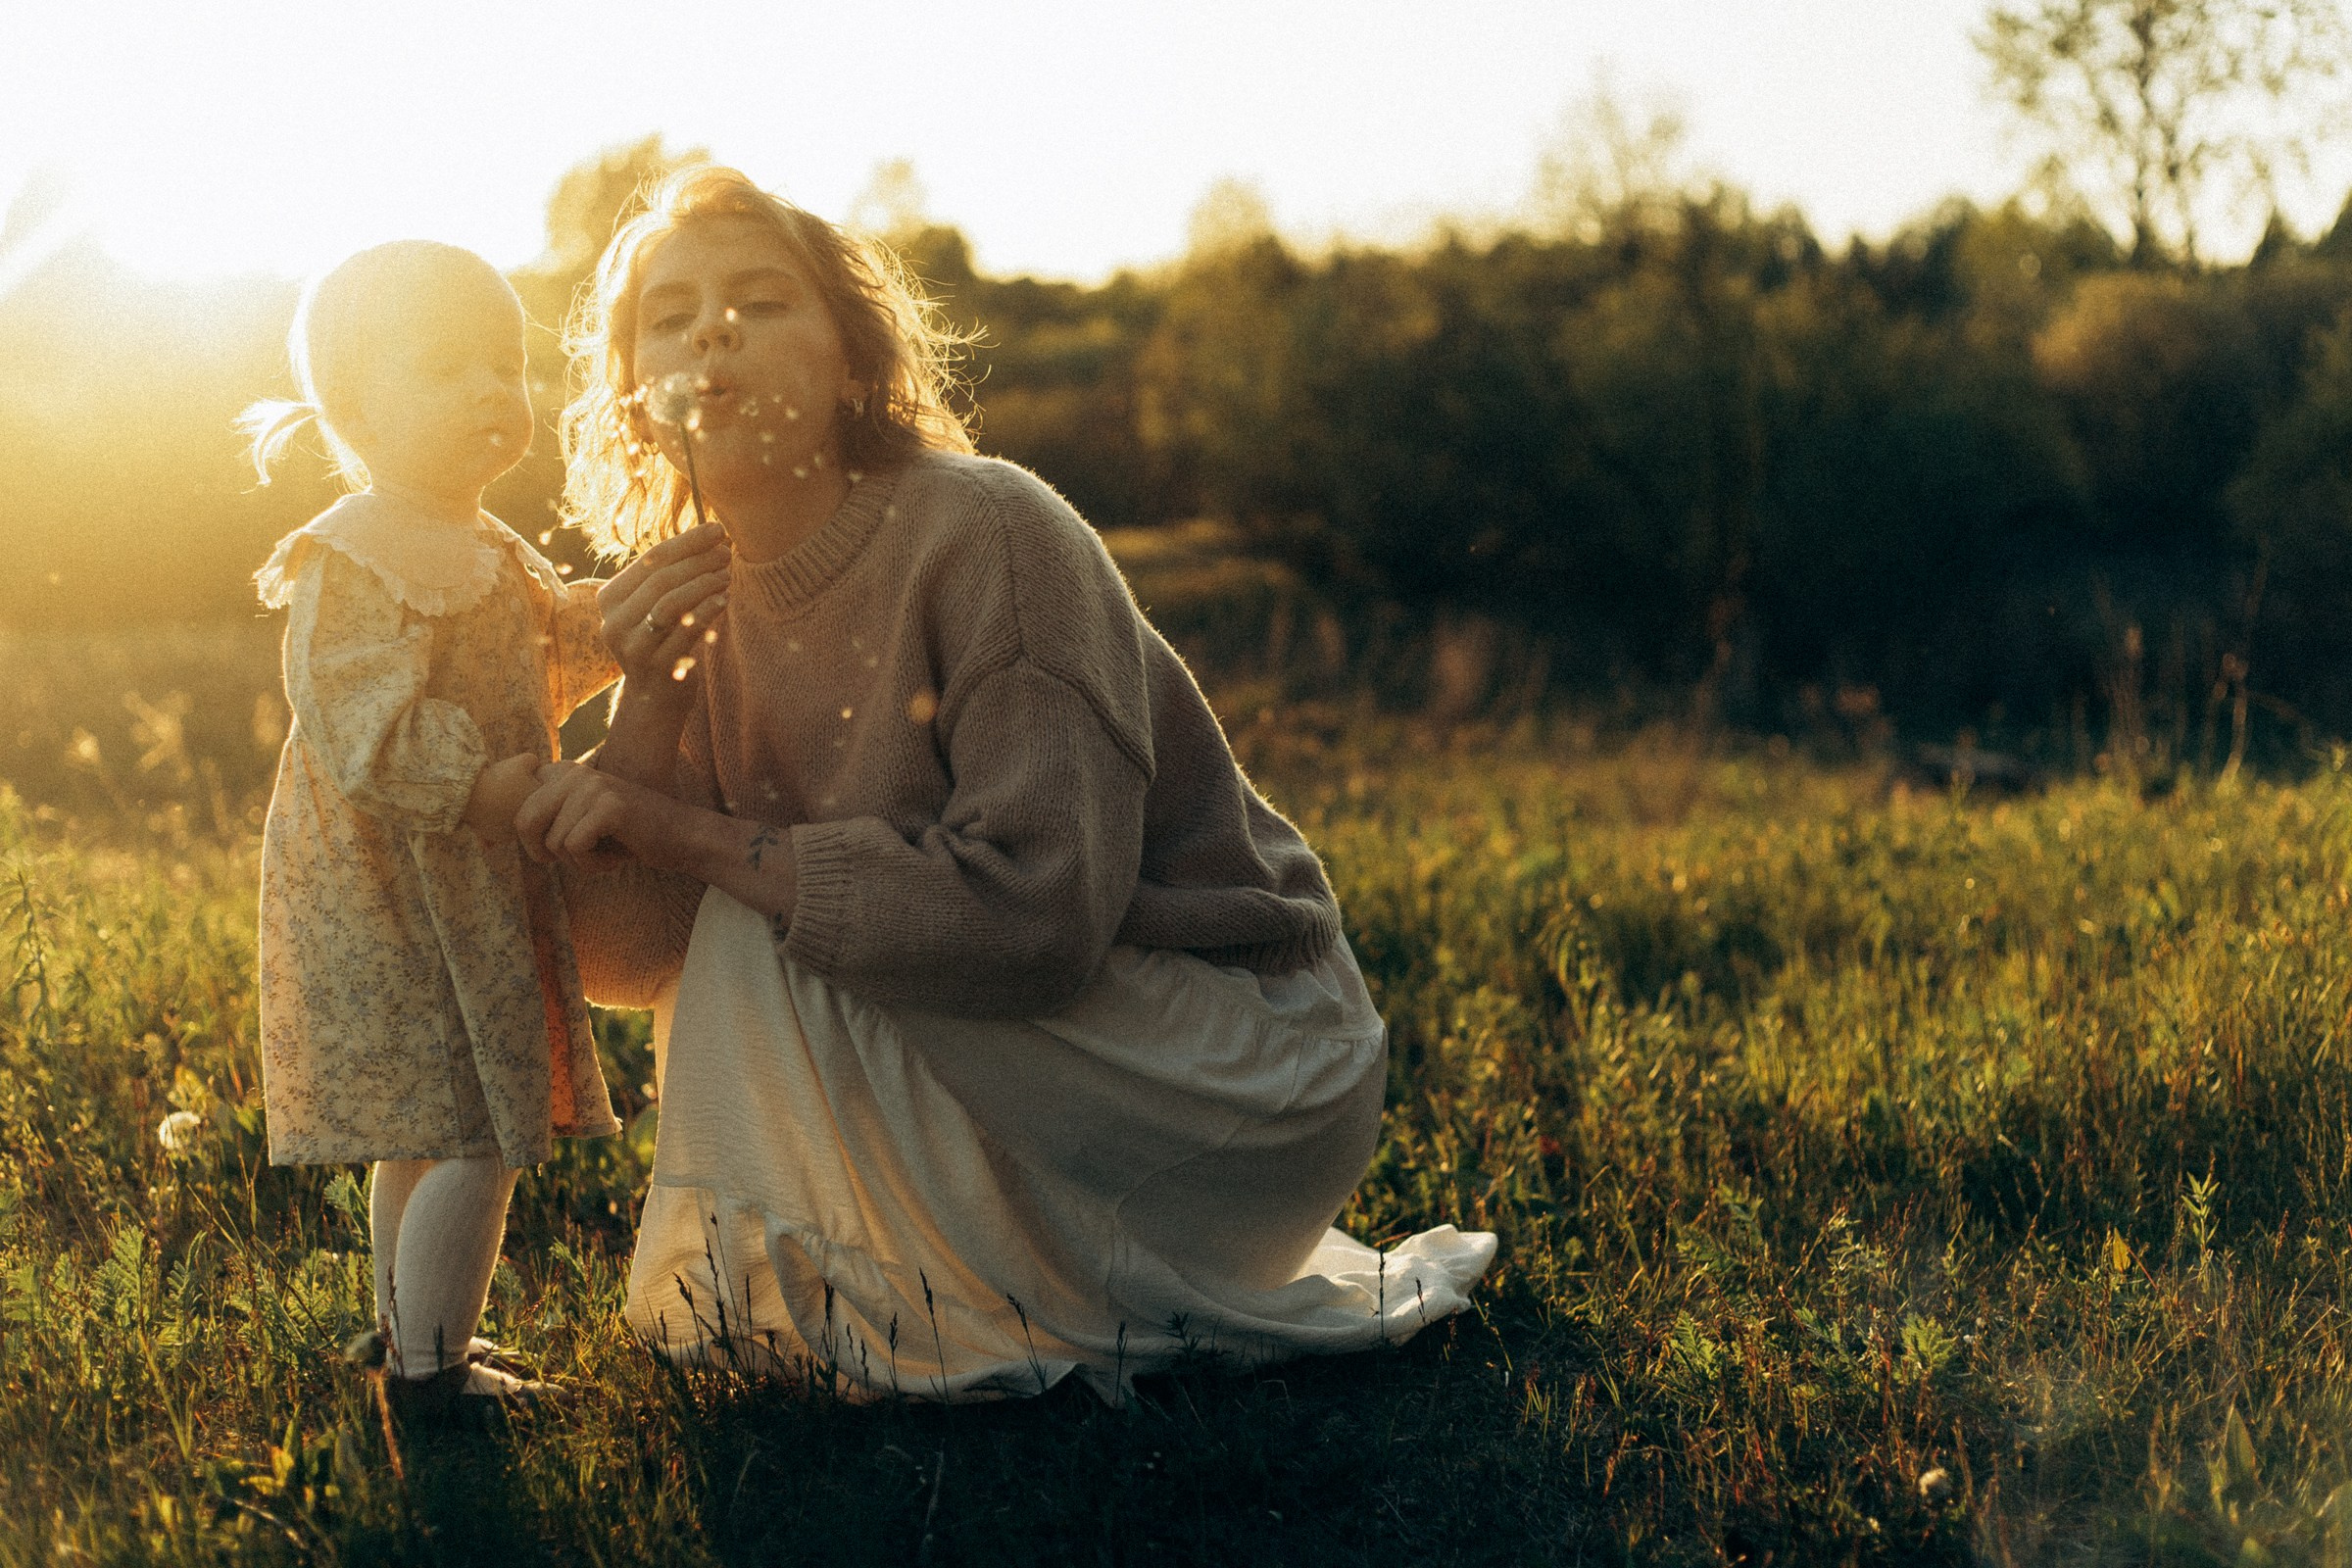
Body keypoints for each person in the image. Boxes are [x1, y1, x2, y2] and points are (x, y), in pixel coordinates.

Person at [527, 166, 1495, 1400]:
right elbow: (628, 965)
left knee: (763, 911)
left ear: (847, 359)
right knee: (747, 923)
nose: (711, 332)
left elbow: (1036, 920)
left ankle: (908, 1309)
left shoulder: (987, 531)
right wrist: (648, 721)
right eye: (669, 316)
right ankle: (883, 1301)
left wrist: (688, 834)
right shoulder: (689, 599)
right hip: (1036, 1063)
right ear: (633, 394)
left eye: (763, 299)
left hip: (1240, 1076)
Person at [245, 241, 661, 1411]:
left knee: (437, 1123)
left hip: (466, 884)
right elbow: (363, 726)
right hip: (395, 889)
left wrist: (615, 615)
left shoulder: (484, 542)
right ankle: (430, 1370)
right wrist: (495, 791)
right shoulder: (353, 550)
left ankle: (405, 1338)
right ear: (359, 404)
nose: (493, 392)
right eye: (451, 369)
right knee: (477, 1124)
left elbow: (539, 665)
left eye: (506, 366)